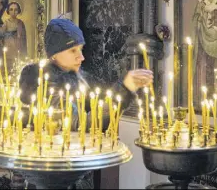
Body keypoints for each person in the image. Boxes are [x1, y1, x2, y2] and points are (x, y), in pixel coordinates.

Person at [19, 18, 154, 189]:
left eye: (81, 49)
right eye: (73, 50)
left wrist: (125, 88)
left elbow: (105, 96)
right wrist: (125, 88)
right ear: (54, 54)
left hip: (74, 166)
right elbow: (79, 125)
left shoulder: (78, 75)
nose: (81, 57)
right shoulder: (46, 82)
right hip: (53, 174)